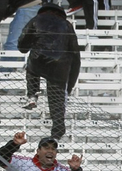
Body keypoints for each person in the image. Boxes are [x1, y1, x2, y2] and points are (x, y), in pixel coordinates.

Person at [17, 2, 81, 140]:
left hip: (39, 58)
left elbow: (22, 44)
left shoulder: (36, 20)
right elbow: (76, 55)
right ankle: (57, 131)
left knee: (32, 70)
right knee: (56, 100)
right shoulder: (67, 26)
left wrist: (30, 45)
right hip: (60, 64)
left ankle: (33, 95)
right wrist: (69, 86)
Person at [0, 0, 43, 73]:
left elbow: (0, 8)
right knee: (33, 44)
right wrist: (6, 14)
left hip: (28, 7)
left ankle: (5, 76)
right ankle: (30, 74)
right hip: (40, 7)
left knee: (13, 45)